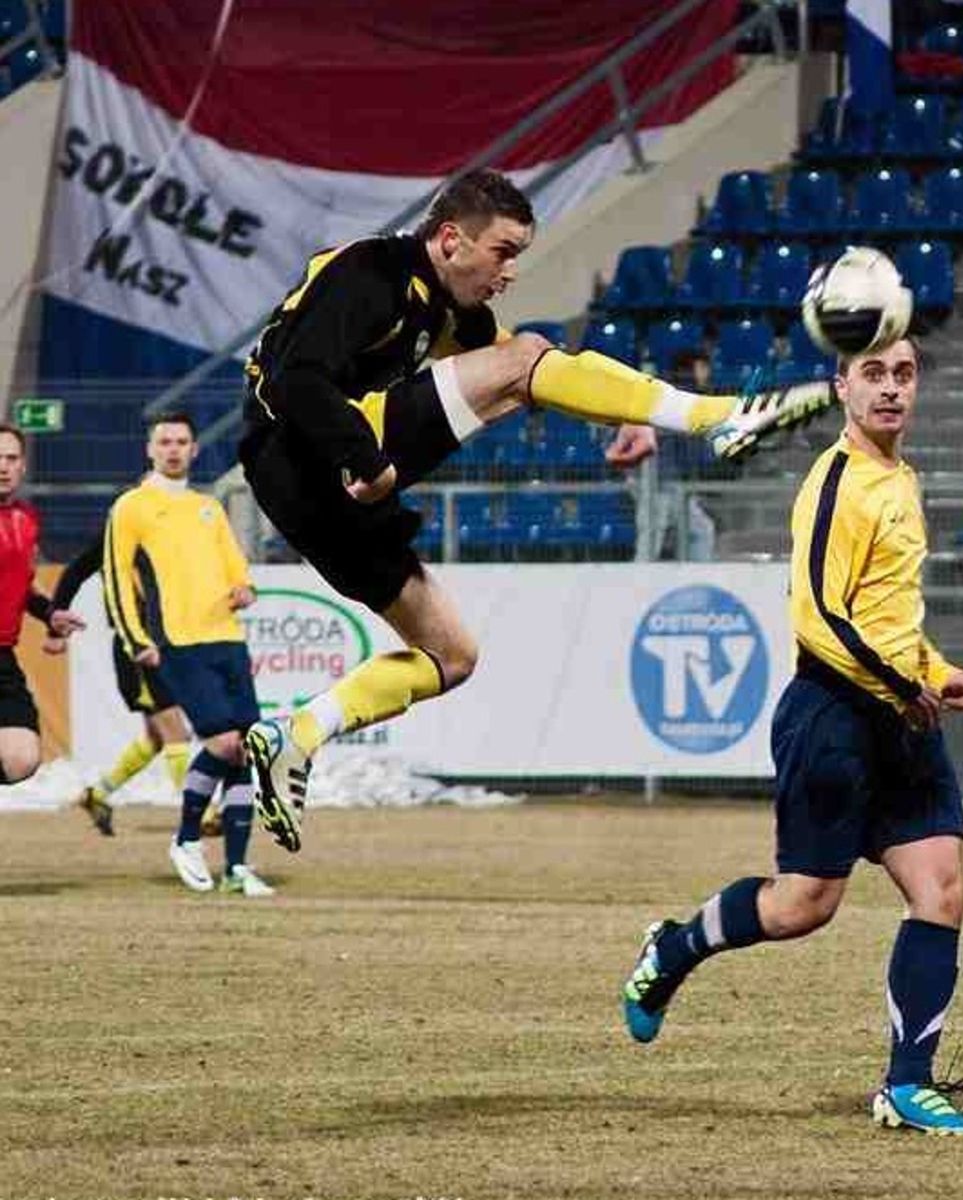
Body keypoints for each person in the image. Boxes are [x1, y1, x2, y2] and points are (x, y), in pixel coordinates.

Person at [238, 169, 830, 853]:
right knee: (520, 358)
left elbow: (534, 376)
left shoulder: (455, 314)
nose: (511, 270)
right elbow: (294, 380)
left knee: (451, 655)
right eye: (504, 251)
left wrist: (623, 418)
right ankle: (716, 416)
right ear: (452, 240)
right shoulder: (370, 271)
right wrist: (365, 460)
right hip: (301, 448)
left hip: (325, 496)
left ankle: (294, 735)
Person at [618, 336, 963, 1136]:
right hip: (833, 716)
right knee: (802, 907)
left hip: (902, 713)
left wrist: (934, 667)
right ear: (841, 386)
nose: (891, 389)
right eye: (874, 374)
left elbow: (887, 612)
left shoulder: (902, 478)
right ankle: (678, 946)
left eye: (904, 374)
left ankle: (906, 1084)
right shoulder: (835, 483)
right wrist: (906, 685)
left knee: (942, 888)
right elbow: (820, 620)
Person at [104, 415, 272, 896]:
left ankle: (237, 869)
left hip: (227, 638)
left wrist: (244, 588)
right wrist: (137, 640)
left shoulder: (207, 508)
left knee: (244, 752)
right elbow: (116, 579)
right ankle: (185, 840)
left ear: (195, 450)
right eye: (164, 442)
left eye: (181, 442)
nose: (173, 450)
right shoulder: (132, 507)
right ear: (150, 450)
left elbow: (236, 566)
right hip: (177, 642)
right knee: (222, 744)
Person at [51, 509, 194, 838]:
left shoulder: (170, 539)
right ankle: (199, 812)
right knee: (175, 731)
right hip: (136, 648)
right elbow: (75, 571)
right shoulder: (116, 538)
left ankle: (97, 794)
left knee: (157, 738)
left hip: (160, 645)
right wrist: (56, 619)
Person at [0, 425, 87, 784]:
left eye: (11, 458)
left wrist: (51, 614)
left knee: (22, 758)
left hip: (3, 654)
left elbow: (24, 586)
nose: (2, 466)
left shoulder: (26, 518)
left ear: (23, 465)